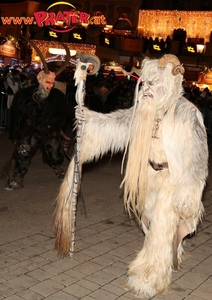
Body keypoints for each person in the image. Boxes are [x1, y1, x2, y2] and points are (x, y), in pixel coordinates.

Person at [55, 54, 208, 298]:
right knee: (149, 223)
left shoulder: (187, 113)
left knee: (162, 225)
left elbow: (198, 158)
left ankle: (150, 277)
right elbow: (119, 124)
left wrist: (189, 191)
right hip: (148, 177)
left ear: (169, 84)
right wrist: (91, 120)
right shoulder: (143, 110)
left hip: (171, 179)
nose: (147, 87)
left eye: (155, 83)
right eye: (145, 82)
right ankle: (171, 253)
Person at [4, 68, 70, 190]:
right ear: (40, 79)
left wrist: (52, 125)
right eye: (47, 82)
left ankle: (58, 168)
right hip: (30, 130)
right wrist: (16, 134)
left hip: (49, 129)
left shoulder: (57, 97)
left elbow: (62, 115)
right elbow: (17, 116)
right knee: (23, 150)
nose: (50, 85)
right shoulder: (24, 95)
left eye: (52, 83)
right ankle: (18, 177)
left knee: (54, 150)